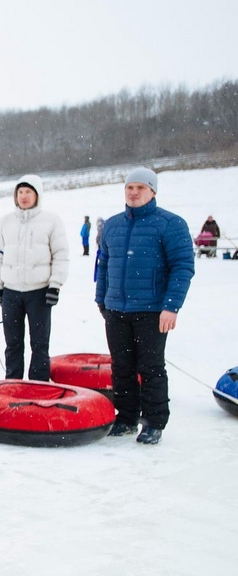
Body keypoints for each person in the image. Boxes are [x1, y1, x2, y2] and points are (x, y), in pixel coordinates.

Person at [95, 168, 194, 445]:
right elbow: (104, 265)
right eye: (129, 187)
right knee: (121, 366)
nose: (134, 192)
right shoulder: (112, 226)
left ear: (153, 191)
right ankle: (126, 418)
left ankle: (153, 422)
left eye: (140, 187)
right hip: (116, 309)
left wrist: (171, 306)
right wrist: (101, 299)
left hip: (152, 310)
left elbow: (182, 267)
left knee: (151, 366)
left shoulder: (170, 224)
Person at [0, 175, 69, 381]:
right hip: (11, 293)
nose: (24, 196)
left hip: (40, 292)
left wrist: (55, 285)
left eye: (29, 192)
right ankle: (13, 383)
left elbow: (60, 254)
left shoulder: (51, 221)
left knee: (40, 344)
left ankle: (39, 384)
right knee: (13, 343)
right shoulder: (5, 222)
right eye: (20, 192)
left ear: (37, 195)